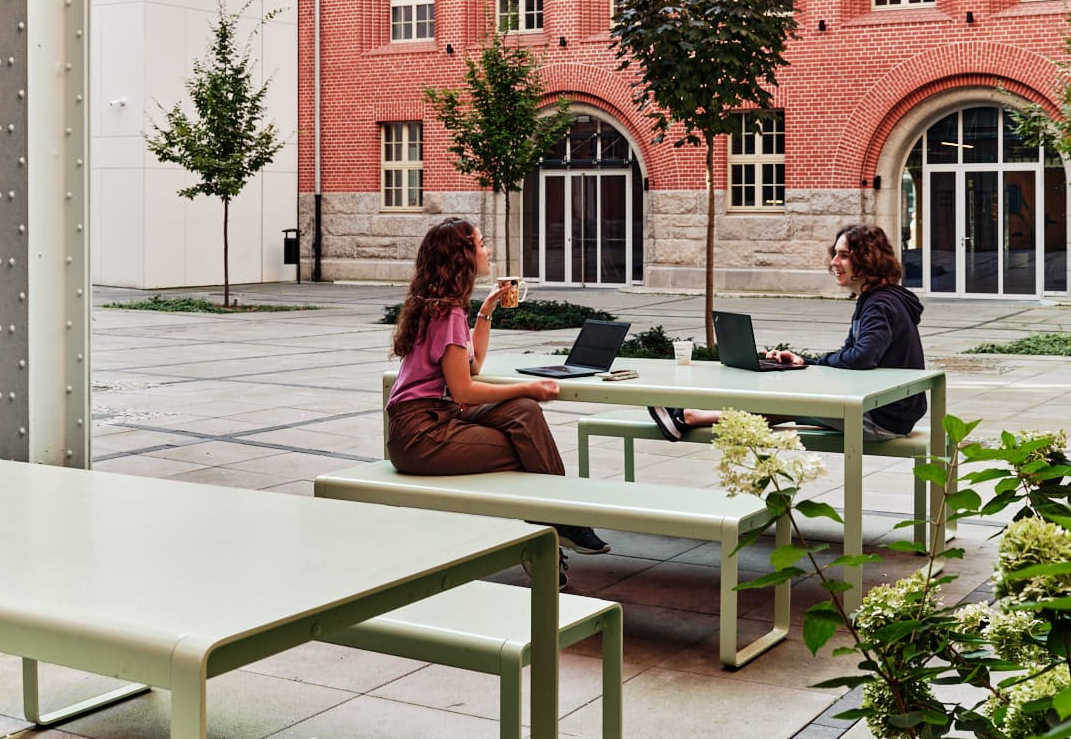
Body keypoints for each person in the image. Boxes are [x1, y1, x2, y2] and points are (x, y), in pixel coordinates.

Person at [387, 217, 610, 560]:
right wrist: (528, 386)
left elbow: (472, 367)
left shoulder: (442, 307)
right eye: (481, 243)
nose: (487, 249)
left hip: (433, 418)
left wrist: (486, 311)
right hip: (421, 434)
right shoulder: (446, 314)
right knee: (528, 446)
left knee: (524, 413)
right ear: (462, 256)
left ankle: (555, 523)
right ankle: (555, 526)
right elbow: (464, 390)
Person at [646, 223, 926, 442]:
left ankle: (689, 417)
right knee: (791, 401)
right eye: (835, 254)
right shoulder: (879, 300)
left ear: (867, 260)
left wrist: (820, 363)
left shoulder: (880, 304)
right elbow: (853, 354)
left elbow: (863, 357)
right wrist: (806, 361)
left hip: (881, 419)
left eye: (844, 256)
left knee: (794, 404)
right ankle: (690, 416)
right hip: (887, 412)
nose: (833, 263)